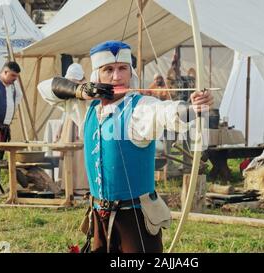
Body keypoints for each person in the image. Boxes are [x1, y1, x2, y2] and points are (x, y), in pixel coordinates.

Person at [38, 40, 213, 253]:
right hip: (99, 214)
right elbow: (45, 88)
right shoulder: (88, 108)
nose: (116, 76)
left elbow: (166, 112)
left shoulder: (141, 107)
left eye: (122, 69)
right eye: (108, 70)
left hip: (135, 218)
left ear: (131, 73)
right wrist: (80, 91)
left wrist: (192, 107)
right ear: (96, 76)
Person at [38, 63, 89, 196]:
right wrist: (59, 130)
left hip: (81, 125)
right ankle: (68, 185)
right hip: (69, 125)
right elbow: (66, 112)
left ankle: (82, 186)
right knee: (68, 155)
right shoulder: (67, 90)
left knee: (80, 157)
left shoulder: (86, 90)